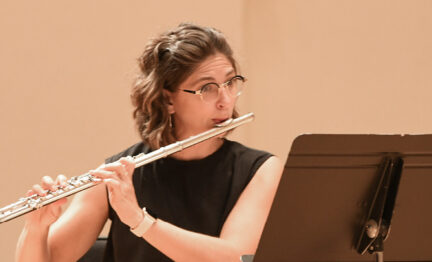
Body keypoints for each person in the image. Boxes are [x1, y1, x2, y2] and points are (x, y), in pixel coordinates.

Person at [15, 23, 283, 262]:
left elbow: (233, 257)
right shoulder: (118, 178)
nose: (226, 100)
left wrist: (139, 221)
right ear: (168, 100)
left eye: (231, 83)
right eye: (207, 88)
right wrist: (36, 228)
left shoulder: (260, 170)